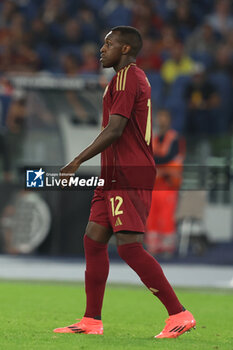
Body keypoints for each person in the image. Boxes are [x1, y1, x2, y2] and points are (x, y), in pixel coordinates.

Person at [53, 26, 196, 339]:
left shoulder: (128, 77)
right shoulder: (122, 79)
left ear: (126, 49)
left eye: (109, 44)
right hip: (114, 174)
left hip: (129, 173)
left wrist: (76, 160)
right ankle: (91, 320)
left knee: (130, 247)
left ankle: (179, 314)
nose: (102, 49)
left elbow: (115, 130)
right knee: (93, 239)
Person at [146, 109, 185, 256]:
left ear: (170, 120)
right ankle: (153, 248)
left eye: (164, 117)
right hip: (154, 186)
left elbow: (170, 158)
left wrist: (157, 167)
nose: (161, 120)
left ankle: (168, 249)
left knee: (167, 217)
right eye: (159, 117)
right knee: (151, 218)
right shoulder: (153, 139)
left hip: (168, 185)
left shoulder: (175, 139)